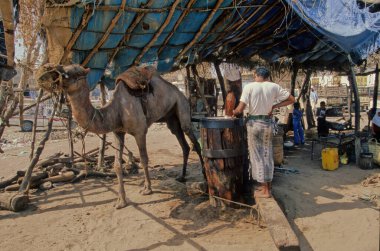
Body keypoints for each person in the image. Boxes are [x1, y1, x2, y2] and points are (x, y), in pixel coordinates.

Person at [232, 67, 295, 198]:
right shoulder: (273, 86)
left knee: (257, 156)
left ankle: (264, 190)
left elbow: (240, 109)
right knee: (267, 154)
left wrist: (233, 112)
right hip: (267, 124)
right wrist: (274, 106)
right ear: (267, 76)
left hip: (254, 125)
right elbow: (292, 99)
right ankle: (267, 187)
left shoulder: (249, 87)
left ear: (255, 75)